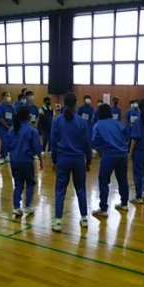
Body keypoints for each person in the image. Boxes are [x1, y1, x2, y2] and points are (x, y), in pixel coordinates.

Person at [50, 92, 91, 233]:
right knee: (80, 189)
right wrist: (88, 160)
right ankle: (84, 218)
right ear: (76, 104)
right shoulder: (82, 122)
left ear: (64, 103)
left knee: (60, 190)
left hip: (63, 159)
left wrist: (54, 160)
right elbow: (87, 143)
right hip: (78, 160)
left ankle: (58, 221)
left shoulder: (57, 121)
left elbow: (53, 142)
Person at [92, 103, 130, 217]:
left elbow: (94, 141)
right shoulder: (118, 123)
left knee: (104, 181)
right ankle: (124, 204)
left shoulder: (98, 125)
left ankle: (103, 208)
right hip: (122, 155)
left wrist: (100, 151)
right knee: (123, 179)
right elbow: (127, 136)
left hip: (109, 155)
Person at [7, 106, 43, 217]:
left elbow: (7, 146)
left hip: (14, 161)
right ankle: (27, 206)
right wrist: (41, 160)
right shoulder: (32, 130)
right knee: (30, 183)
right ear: (28, 117)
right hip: (26, 161)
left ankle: (16, 207)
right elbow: (37, 147)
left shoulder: (12, 130)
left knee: (18, 184)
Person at [0, 91, 14, 164]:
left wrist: (12, 126)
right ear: (3, 97)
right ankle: (2, 156)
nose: (9, 97)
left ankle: (7, 155)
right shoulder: (0, 106)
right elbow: (0, 118)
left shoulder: (11, 107)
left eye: (9, 96)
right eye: (7, 96)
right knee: (4, 141)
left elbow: (14, 116)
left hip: (10, 127)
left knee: (9, 141)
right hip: (2, 128)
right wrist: (8, 127)